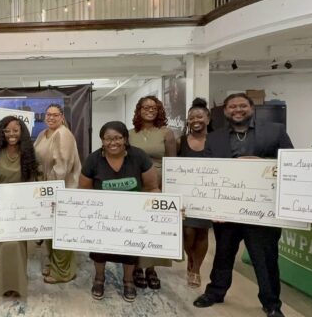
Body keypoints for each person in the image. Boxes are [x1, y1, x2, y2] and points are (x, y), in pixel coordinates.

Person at [192, 93, 293, 317]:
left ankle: (272, 304)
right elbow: (208, 172)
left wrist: (260, 163)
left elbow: (291, 163)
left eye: (242, 106)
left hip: (262, 210)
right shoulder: (214, 138)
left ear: (251, 108)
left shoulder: (275, 131)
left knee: (265, 258)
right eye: (232, 107)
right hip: (227, 210)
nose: (237, 110)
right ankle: (215, 292)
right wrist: (212, 207)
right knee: (223, 254)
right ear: (225, 111)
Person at [79, 121, 160, 302]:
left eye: (117, 138)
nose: (113, 142)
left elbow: (152, 187)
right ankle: (99, 278)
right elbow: (84, 189)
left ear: (125, 139)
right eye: (108, 139)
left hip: (132, 216)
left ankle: (128, 280)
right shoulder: (93, 160)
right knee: (99, 250)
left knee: (129, 250)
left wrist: (160, 209)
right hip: (102, 216)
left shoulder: (139, 156)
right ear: (102, 140)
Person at [0, 115, 41, 298]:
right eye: (7, 131)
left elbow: (34, 184)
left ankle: (18, 285)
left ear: (22, 132)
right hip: (1, 208)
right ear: (1, 133)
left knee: (17, 247)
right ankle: (3, 285)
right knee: (2, 246)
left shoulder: (29, 154)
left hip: (21, 210)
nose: (11, 134)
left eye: (15, 130)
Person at [129, 96, 176, 290]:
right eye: (145, 107)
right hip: (135, 187)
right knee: (137, 228)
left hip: (158, 187)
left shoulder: (166, 133)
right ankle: (137, 267)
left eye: (154, 108)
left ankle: (151, 268)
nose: (150, 110)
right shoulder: (130, 134)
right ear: (139, 110)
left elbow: (173, 164)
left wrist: (168, 190)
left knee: (153, 229)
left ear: (159, 111)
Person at [34, 104, 82, 283]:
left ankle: (63, 272)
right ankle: (54, 264)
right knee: (50, 230)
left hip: (60, 189)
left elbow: (62, 167)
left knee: (61, 231)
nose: (51, 117)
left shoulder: (63, 134)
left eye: (55, 115)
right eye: (48, 114)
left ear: (62, 117)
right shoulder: (43, 134)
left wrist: (50, 190)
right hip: (45, 188)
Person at [178, 98, 213, 288]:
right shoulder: (181, 141)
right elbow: (172, 166)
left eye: (199, 117)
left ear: (208, 118)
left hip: (208, 194)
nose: (195, 120)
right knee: (187, 232)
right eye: (191, 118)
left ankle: (196, 269)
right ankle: (190, 258)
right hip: (186, 195)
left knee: (202, 232)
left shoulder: (216, 141)